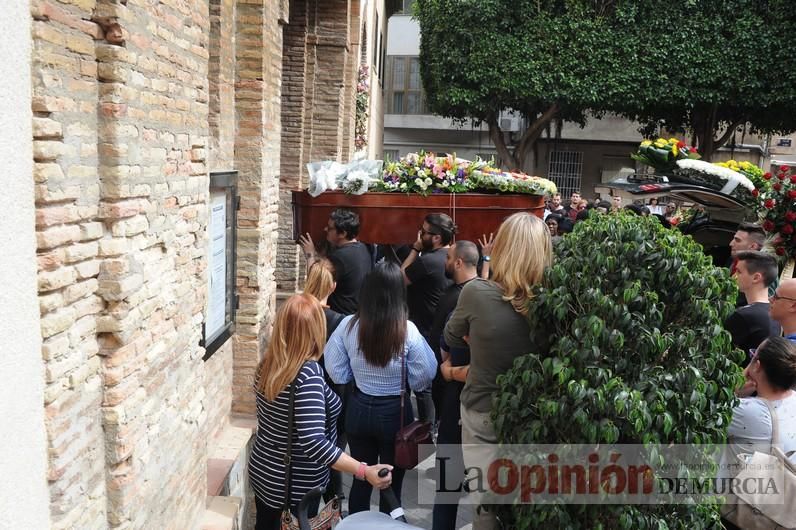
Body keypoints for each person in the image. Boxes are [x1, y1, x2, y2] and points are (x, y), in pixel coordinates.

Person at [444, 212, 552, 530]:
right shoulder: (555, 302)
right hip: (534, 413)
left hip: (483, 411)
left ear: (502, 247)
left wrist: (478, 336)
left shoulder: (477, 293)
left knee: (486, 502)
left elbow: (451, 336)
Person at [249, 294, 392, 530]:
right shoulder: (308, 374)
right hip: (294, 491)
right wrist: (364, 470)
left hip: (265, 474)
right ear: (315, 330)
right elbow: (314, 442)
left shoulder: (267, 364)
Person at [324, 262, 437, 515]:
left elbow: (334, 369)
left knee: (361, 477)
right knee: (391, 484)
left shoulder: (349, 326)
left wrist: (357, 375)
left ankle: (356, 523)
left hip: (359, 407)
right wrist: (407, 382)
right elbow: (426, 373)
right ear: (399, 293)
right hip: (395, 412)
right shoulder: (407, 330)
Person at [430, 242, 479, 530]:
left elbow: (444, 355)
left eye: (449, 257)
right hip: (480, 409)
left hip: (455, 408)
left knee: (446, 492)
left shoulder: (456, 315)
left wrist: (449, 372)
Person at [401, 213, 455, 422]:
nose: (419, 235)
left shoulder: (429, 261)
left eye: (423, 232)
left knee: (423, 385)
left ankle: (425, 430)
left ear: (436, 238)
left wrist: (415, 249)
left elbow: (400, 277)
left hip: (425, 331)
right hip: (440, 329)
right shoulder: (451, 257)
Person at [729, 336, 796, 466]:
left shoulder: (748, 411)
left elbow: (708, 412)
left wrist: (736, 389)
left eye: (753, 355)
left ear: (757, 366)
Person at [299, 208, 372, 315]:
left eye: (329, 228)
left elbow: (317, 280)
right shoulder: (363, 248)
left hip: (339, 317)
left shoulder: (339, 257)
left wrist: (310, 254)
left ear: (342, 233)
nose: (325, 229)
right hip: (355, 315)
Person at [725, 251, 781, 363]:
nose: (734, 276)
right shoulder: (775, 313)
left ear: (756, 278)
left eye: (739, 272)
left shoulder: (744, 315)